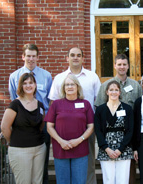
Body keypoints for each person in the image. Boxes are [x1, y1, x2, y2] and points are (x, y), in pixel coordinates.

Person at [48, 47, 101, 184]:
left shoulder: (92, 77)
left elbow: (99, 101)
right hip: (62, 134)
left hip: (86, 129)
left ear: (83, 58)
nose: (75, 57)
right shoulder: (59, 78)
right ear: (67, 58)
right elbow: (54, 102)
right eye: (72, 55)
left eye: (79, 55)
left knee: (87, 165)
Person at [95, 54, 142, 184]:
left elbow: (138, 110)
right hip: (108, 137)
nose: (122, 67)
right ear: (115, 65)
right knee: (109, 178)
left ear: (128, 66)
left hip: (128, 137)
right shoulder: (105, 85)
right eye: (119, 64)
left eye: (124, 64)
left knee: (128, 174)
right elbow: (99, 112)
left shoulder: (136, 85)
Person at [8, 43, 52, 184]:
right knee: (24, 167)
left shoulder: (46, 76)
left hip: (41, 122)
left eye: (34, 56)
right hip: (22, 124)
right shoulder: (14, 77)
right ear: (23, 57)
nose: (31, 59)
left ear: (38, 57)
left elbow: (49, 101)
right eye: (28, 56)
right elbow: (13, 100)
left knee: (41, 163)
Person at [45, 74, 94, 184]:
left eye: (72, 84)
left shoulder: (85, 104)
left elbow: (91, 127)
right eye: (67, 84)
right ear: (63, 88)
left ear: (77, 87)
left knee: (80, 181)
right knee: (63, 181)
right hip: (61, 148)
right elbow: (49, 127)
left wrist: (79, 140)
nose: (69, 87)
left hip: (80, 149)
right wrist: (61, 141)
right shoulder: (56, 104)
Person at [1, 73, 46, 184]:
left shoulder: (40, 105)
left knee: (37, 181)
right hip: (20, 150)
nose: (28, 86)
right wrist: (12, 141)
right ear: (21, 86)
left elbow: (41, 125)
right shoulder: (15, 105)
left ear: (35, 85)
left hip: (39, 149)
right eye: (25, 83)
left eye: (31, 83)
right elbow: (4, 127)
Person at [94, 81, 134, 184]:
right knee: (108, 180)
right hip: (106, 148)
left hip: (123, 148)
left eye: (116, 90)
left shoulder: (127, 109)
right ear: (107, 92)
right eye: (111, 90)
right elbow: (98, 131)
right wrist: (107, 149)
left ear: (120, 92)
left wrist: (120, 149)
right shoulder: (100, 110)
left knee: (123, 180)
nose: (114, 92)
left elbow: (130, 131)